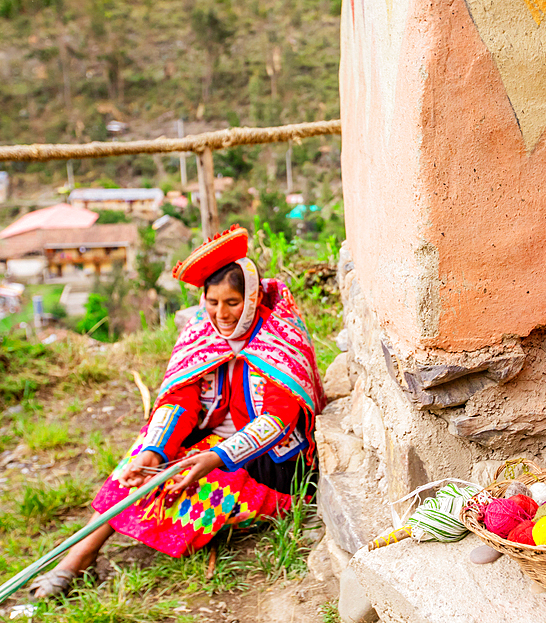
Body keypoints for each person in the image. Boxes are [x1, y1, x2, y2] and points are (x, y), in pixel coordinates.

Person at [29, 225, 326, 598]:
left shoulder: (279, 335)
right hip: (214, 441)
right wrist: (156, 450)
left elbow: (280, 421)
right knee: (143, 462)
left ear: (251, 298)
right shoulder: (202, 332)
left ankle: (87, 551)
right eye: (213, 302)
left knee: (192, 484)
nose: (222, 314)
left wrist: (216, 458)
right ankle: (78, 556)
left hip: (270, 463)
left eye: (232, 303)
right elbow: (180, 399)